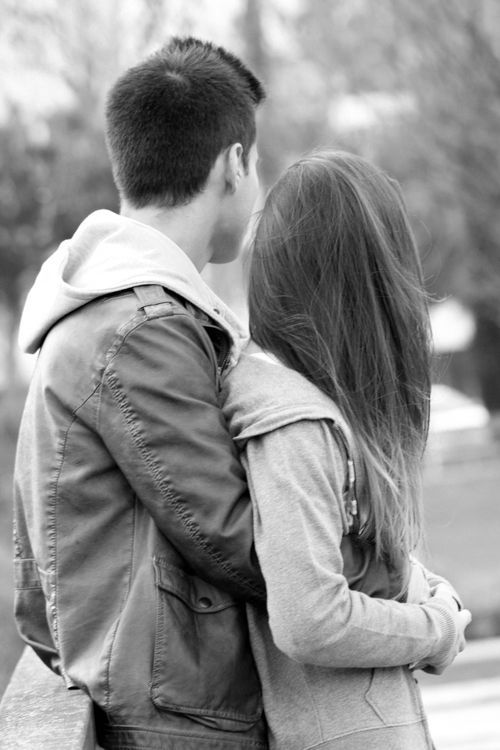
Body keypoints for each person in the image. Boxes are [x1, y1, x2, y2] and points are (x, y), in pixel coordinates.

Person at [13, 37, 270, 750]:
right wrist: (389, 579)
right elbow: (238, 538)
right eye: (258, 164)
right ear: (234, 164)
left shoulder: (97, 306)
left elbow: (35, 600)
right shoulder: (141, 326)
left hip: (153, 706)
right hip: (180, 721)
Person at [222, 150, 471, 749]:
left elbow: (339, 554)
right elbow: (308, 618)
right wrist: (434, 630)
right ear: (367, 282)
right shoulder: (294, 424)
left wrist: (421, 584)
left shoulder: (307, 408)